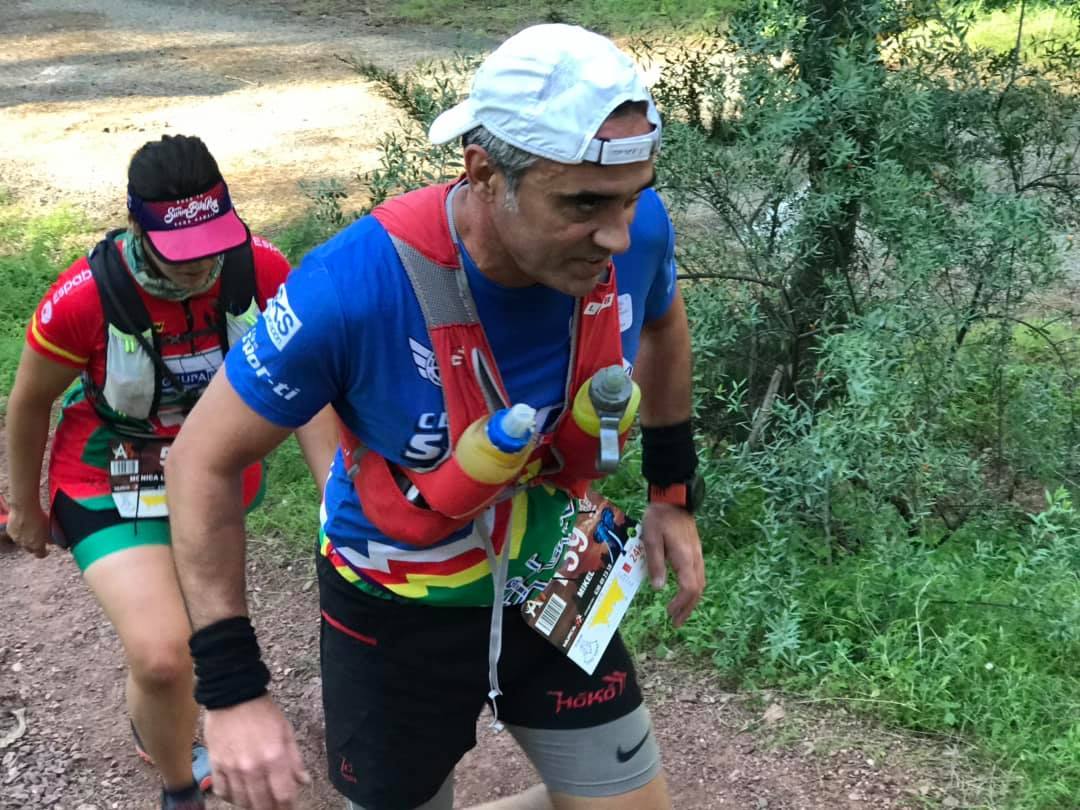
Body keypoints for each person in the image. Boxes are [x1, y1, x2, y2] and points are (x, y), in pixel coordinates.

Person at [166, 24, 706, 810]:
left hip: (554, 570)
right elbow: (201, 462)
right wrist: (232, 688)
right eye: (584, 203)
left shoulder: (635, 231)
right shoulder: (350, 288)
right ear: (485, 172)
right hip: (396, 605)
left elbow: (662, 320)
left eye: (633, 195)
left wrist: (671, 493)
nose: (618, 234)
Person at [3, 134, 338, 810]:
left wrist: (339, 497)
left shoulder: (263, 269)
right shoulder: (84, 296)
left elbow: (309, 391)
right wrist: (25, 506)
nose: (202, 266)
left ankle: (157, 714)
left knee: (182, 635)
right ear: (136, 226)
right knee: (163, 657)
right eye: (181, 252)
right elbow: (30, 401)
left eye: (214, 242)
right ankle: (180, 786)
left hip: (210, 478)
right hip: (103, 475)